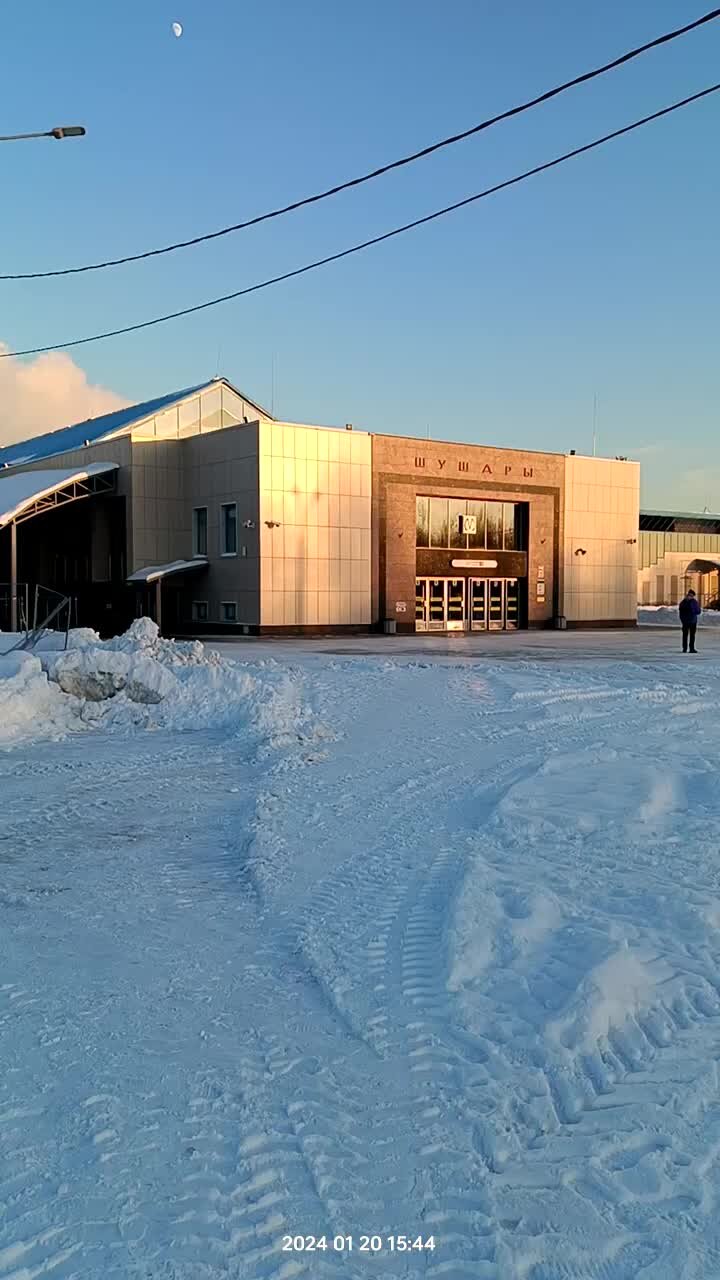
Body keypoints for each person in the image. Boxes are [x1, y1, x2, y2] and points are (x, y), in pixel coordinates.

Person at [678, 588, 701, 653]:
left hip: (693, 621)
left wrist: (693, 611)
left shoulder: (694, 602)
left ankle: (691, 648)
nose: (690, 596)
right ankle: (685, 648)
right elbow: (681, 612)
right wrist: (683, 620)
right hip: (686, 621)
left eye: (691, 595)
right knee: (685, 635)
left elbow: (698, 611)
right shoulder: (683, 603)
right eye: (689, 595)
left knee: (692, 635)